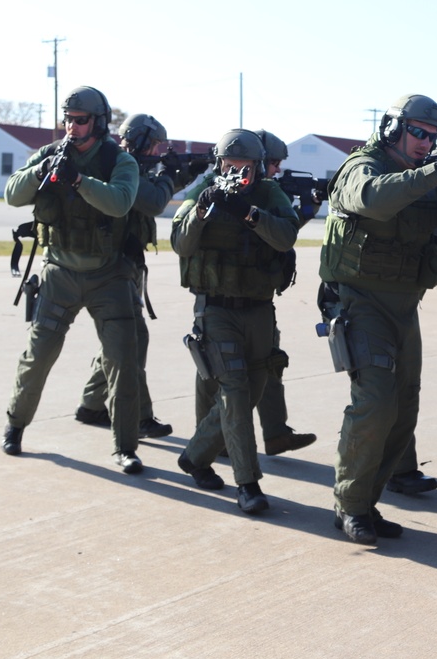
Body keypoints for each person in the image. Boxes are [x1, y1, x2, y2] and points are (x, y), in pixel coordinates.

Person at [320, 94, 437, 544]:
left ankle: (367, 505)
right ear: (394, 127)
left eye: (432, 136)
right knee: (374, 402)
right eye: (418, 132)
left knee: (402, 411)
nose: (425, 141)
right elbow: (371, 199)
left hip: (404, 306)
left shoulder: (431, 175)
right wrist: (435, 172)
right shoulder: (364, 164)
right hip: (360, 301)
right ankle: (350, 506)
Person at [0, 85, 142, 473]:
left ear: (98, 122)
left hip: (108, 275)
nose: (71, 127)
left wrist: (78, 180)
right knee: (38, 354)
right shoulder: (50, 153)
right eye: (67, 120)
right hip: (59, 272)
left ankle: (125, 447)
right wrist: (42, 171)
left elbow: (120, 202)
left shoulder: (119, 160)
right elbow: (12, 194)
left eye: (79, 121)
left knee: (122, 362)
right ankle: (15, 425)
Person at [171, 128, 299, 514]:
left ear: (258, 167)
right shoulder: (204, 189)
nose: (237, 173)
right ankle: (248, 483)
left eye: (246, 167)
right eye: (230, 166)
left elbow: (286, 236)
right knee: (235, 392)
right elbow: (180, 242)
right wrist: (202, 210)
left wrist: (249, 213)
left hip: (259, 308)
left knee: (255, 387)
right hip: (216, 309)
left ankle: (193, 457)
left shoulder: (268, 194)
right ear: (218, 164)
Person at [191, 129, 318, 457]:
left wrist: (303, 214)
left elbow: (276, 236)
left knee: (267, 365)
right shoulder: (218, 187)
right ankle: (207, 440)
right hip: (218, 294)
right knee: (213, 368)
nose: (277, 170)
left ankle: (274, 432)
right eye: (274, 163)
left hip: (256, 297)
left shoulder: (268, 192)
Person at [74, 113, 195, 440]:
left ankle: (92, 404)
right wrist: (171, 176)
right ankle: (139, 416)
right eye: (155, 145)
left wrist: (183, 176)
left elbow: (151, 194)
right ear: (141, 140)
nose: (157, 151)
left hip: (124, 264)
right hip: (112, 268)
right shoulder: (121, 164)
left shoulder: (132, 165)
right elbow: (154, 200)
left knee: (120, 342)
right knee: (133, 339)